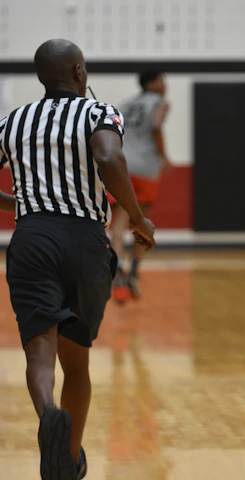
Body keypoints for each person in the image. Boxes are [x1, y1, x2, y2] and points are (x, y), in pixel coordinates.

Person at [0, 39, 155, 480]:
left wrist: (20, 202)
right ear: (79, 71)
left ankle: (47, 411)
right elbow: (108, 157)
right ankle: (68, 459)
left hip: (31, 240)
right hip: (87, 242)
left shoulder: (12, 121)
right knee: (77, 359)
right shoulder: (99, 112)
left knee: (39, 350)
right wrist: (141, 220)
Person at [109, 70, 171, 303]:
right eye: (162, 81)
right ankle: (133, 272)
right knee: (141, 225)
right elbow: (155, 127)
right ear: (152, 83)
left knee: (119, 222)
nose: (165, 86)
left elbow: (111, 131)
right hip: (145, 168)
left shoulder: (126, 103)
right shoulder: (161, 103)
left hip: (122, 166)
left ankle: (116, 274)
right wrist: (164, 156)